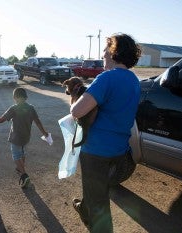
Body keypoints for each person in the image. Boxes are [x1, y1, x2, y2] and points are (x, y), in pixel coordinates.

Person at [70, 33, 142, 232]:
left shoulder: (107, 78)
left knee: (99, 205)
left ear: (113, 52)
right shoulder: (134, 80)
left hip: (96, 151)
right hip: (119, 151)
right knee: (98, 191)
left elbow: (76, 112)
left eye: (105, 49)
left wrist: (75, 99)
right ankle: (84, 207)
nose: (102, 54)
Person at [0, 87, 50, 188]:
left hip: (15, 138)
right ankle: (21, 169)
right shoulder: (31, 108)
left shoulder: (14, 108)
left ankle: (24, 175)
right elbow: (37, 121)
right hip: (26, 137)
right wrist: (44, 132)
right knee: (22, 153)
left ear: (14, 97)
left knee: (16, 156)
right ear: (26, 97)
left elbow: (1, 120)